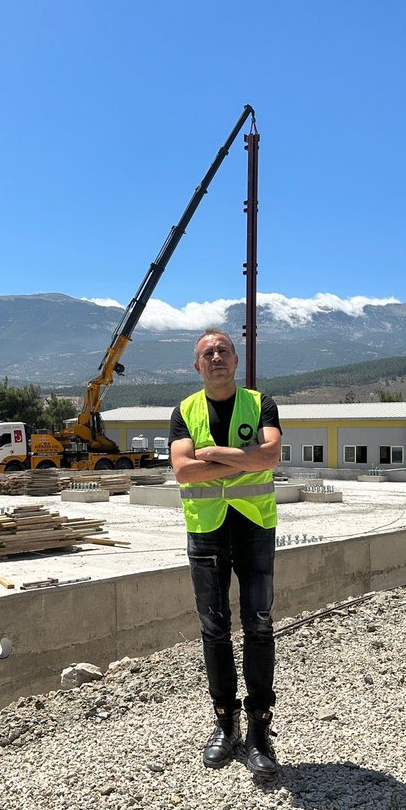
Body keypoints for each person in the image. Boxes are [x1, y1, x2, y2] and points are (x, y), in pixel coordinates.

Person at [169, 328, 282, 778]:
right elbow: (182, 471)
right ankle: (224, 723)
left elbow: (270, 457)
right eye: (207, 353)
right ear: (197, 366)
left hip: (254, 524)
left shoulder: (261, 404)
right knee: (214, 629)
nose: (216, 357)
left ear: (236, 361)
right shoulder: (184, 411)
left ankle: (259, 729)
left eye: (223, 351)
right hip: (207, 531)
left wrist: (213, 452)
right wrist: (242, 456)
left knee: (258, 623)